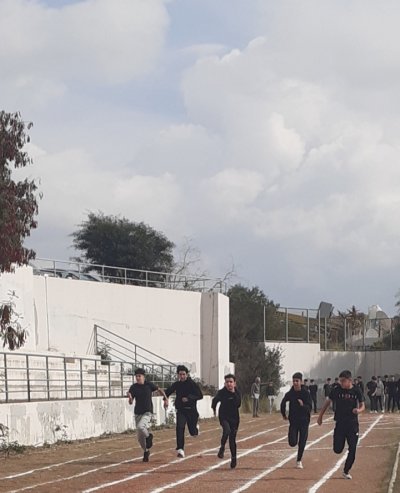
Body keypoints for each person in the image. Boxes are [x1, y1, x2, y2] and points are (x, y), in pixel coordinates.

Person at [318, 369, 365, 480]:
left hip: (352, 425)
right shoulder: (337, 390)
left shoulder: (356, 390)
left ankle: (346, 470)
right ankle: (338, 441)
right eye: (340, 380)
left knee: (352, 449)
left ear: (349, 380)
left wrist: (359, 410)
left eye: (343, 381)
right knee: (337, 449)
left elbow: (363, 405)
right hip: (340, 424)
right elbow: (327, 402)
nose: (341, 383)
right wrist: (320, 416)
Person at [127, 368, 168, 462]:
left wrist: (165, 399)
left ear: (143, 376)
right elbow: (130, 402)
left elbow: (159, 390)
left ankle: (149, 436)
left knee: (141, 427)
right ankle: (146, 451)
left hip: (147, 412)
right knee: (140, 438)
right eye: (136, 376)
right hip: (138, 413)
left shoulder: (149, 385)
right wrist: (130, 398)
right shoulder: (133, 387)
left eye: (139, 376)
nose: (138, 378)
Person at [165, 365, 203, 458]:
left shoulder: (192, 384)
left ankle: (196, 429)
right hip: (181, 410)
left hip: (191, 411)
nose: (182, 376)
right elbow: (168, 392)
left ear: (187, 374)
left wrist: (189, 398)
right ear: (178, 375)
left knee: (192, 432)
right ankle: (180, 449)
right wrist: (165, 399)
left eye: (183, 374)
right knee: (180, 427)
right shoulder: (177, 384)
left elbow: (200, 395)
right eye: (180, 374)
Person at [280, 372, 312, 469]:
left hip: (304, 420)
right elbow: (283, 402)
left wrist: (303, 405)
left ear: (301, 382)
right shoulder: (291, 393)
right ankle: (294, 442)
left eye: (297, 381)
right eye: (293, 381)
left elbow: (309, 408)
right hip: (293, 420)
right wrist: (283, 414)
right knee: (292, 442)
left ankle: (299, 460)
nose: (295, 383)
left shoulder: (306, 393)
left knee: (302, 441)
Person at [212, 373, 241, 469]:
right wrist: (214, 409)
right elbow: (215, 400)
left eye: (231, 382)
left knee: (232, 439)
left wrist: (233, 393)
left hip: (234, 419)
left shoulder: (237, 393)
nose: (229, 384)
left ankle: (234, 458)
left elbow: (238, 404)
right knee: (226, 431)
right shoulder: (222, 392)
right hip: (224, 417)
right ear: (225, 383)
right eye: (227, 382)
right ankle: (222, 447)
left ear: (234, 383)